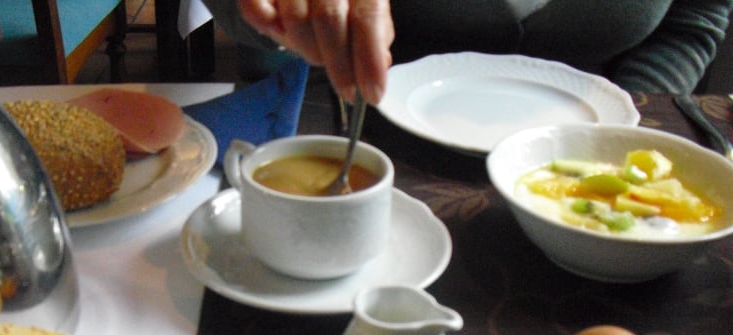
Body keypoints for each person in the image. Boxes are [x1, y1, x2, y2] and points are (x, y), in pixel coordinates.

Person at [203, 0, 733, 101]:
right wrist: (288, 17)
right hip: (356, 137)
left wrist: (627, 121)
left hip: (590, 178)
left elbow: (693, 16)